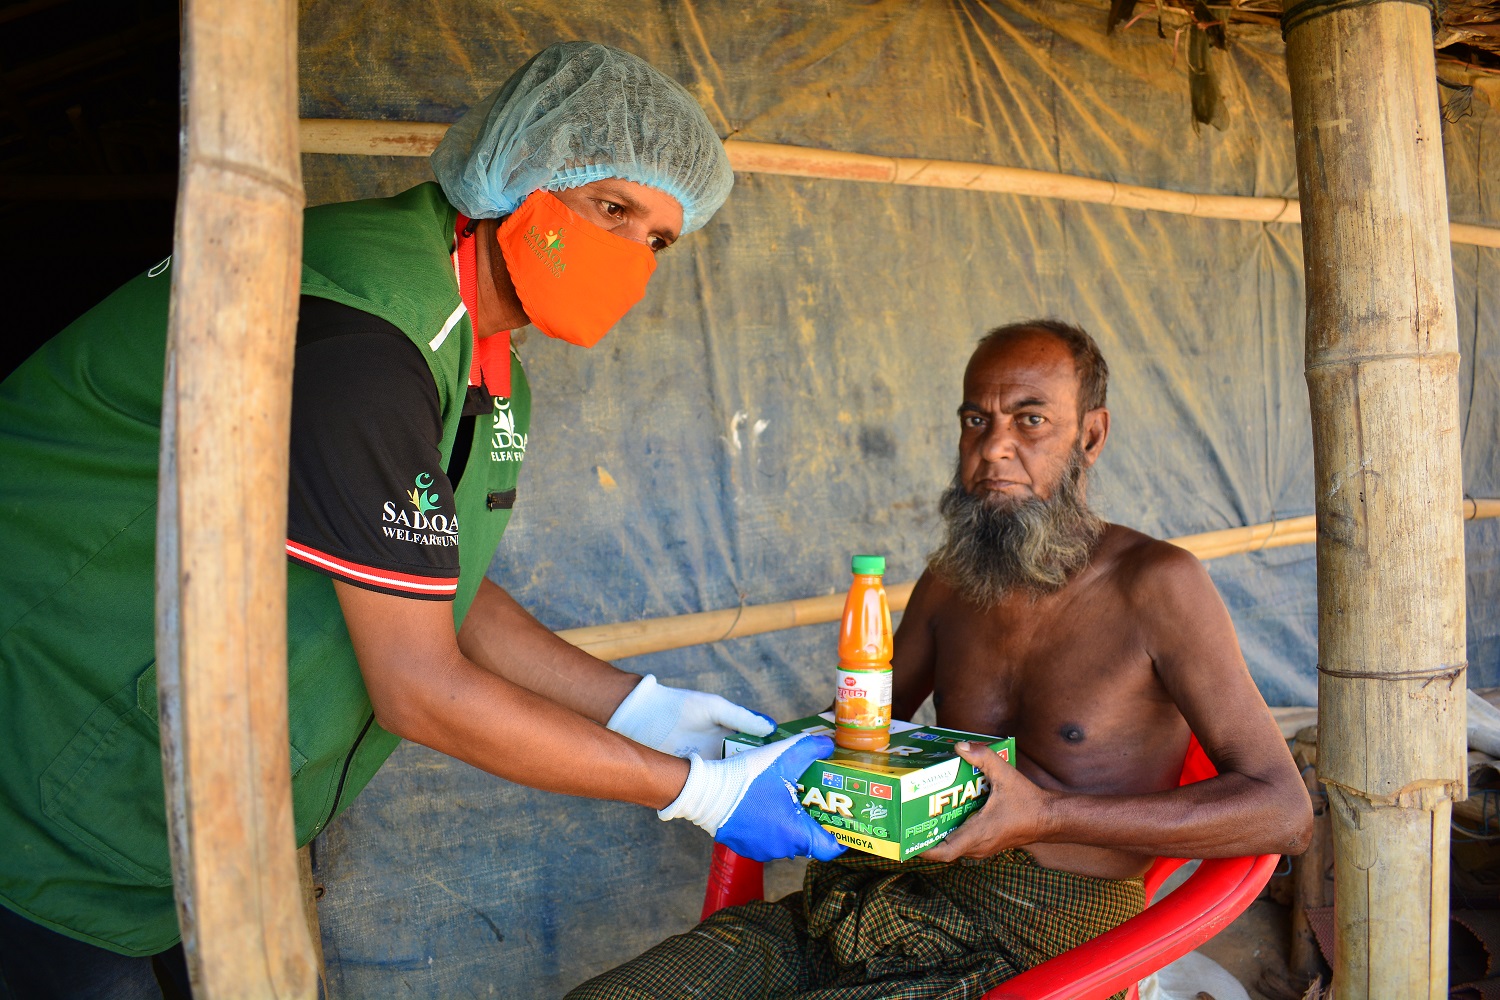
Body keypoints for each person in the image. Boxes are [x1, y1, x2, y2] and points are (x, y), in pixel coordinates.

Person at [0, 41, 842, 998]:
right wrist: (697, 791)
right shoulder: (364, 328)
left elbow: (442, 585)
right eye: (612, 208)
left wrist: (638, 707)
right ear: (522, 168)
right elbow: (419, 686)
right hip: (45, 780)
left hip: (158, 817)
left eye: (657, 239)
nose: (629, 255)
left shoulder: (487, 360)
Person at [566, 319, 1313, 1000]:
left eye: (1030, 420)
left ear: (1090, 436)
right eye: (975, 420)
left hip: (1036, 940)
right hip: (867, 897)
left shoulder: (1157, 586)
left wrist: (1046, 815)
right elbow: (860, 725)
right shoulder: (952, 580)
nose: (993, 449)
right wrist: (742, 756)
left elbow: (1282, 812)